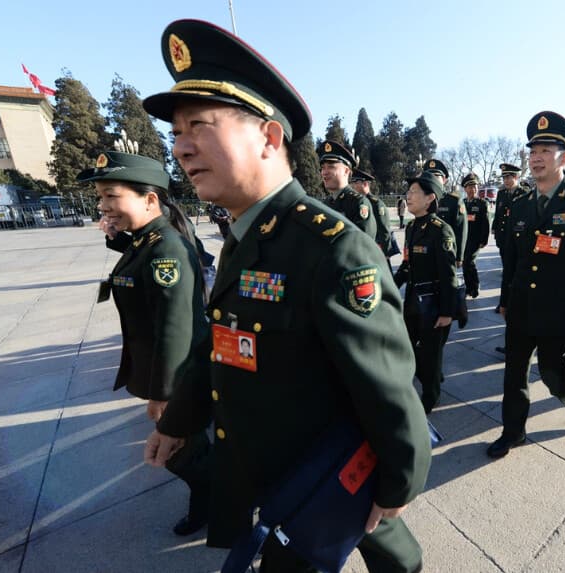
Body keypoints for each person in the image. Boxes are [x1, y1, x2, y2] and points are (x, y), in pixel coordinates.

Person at [141, 19, 431, 573]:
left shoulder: (332, 248)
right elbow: (221, 342)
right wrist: (177, 420)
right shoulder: (243, 235)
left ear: (269, 137)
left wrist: (399, 482)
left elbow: (387, 387)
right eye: (176, 133)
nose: (180, 147)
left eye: (198, 126)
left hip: (318, 473)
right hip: (265, 463)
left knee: (376, 538)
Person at [79, 150, 211, 537]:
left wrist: (164, 395)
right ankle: (212, 499)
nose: (104, 206)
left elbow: (174, 329)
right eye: (101, 197)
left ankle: (220, 499)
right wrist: (120, 240)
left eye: (112, 196)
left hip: (179, 375)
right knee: (186, 449)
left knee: (182, 452)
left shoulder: (165, 250)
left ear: (150, 199)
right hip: (165, 371)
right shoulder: (147, 241)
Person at [488, 111, 565, 459]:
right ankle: (513, 432)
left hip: (561, 307)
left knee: (554, 375)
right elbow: (512, 260)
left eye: (545, 150)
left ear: (564, 157)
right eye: (532, 151)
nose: (536, 157)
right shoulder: (521, 204)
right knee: (514, 373)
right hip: (523, 304)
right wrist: (505, 299)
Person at [393, 171, 458, 414]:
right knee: (409, 350)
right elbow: (407, 265)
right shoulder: (411, 227)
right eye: (408, 193)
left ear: (430, 198)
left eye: (413, 193)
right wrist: (388, 285)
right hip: (412, 302)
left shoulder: (441, 231)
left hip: (433, 305)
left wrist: (447, 312)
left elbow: (448, 275)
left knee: (430, 356)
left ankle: (431, 397)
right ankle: (429, 380)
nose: (408, 197)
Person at [318, 139, 377, 238]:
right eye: (323, 168)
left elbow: (363, 247)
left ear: (346, 171)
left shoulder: (358, 203)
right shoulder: (326, 203)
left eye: (331, 167)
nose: (324, 172)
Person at [423, 158, 468, 267]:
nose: (432, 179)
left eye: (436, 176)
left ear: (444, 180)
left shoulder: (454, 201)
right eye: (429, 176)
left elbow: (461, 229)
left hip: (446, 250)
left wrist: (459, 256)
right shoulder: (422, 199)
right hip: (425, 251)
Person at [461, 173, 490, 298]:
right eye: (470, 187)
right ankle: (469, 287)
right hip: (463, 240)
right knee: (464, 263)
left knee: (469, 262)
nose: (473, 189)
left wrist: (483, 240)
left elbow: (486, 223)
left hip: (475, 239)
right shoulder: (461, 204)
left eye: (475, 187)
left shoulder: (482, 204)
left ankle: (475, 286)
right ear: (465, 189)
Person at [351, 168, 392, 258]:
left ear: (365, 184)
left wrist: (385, 254)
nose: (352, 186)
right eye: (352, 183)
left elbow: (384, 229)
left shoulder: (376, 204)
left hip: (375, 250)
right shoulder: (355, 202)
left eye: (356, 183)